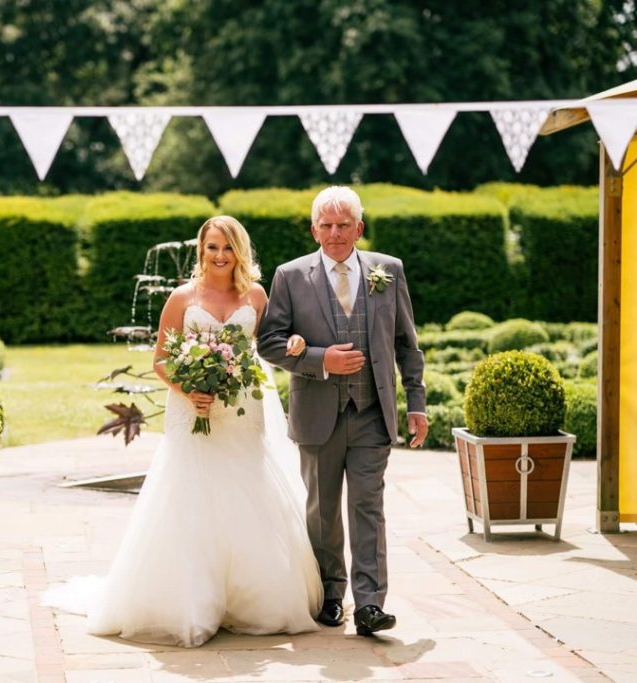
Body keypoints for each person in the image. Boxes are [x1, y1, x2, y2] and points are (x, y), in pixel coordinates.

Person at [44, 216, 323, 647]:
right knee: (193, 496)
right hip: (193, 410)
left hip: (243, 408)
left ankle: (249, 600)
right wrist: (189, 389)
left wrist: (295, 345)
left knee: (246, 491)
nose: (220, 256)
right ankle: (193, 600)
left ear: (239, 251)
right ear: (201, 250)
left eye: (227, 248)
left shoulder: (257, 295)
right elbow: (160, 359)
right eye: (212, 247)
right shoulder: (182, 297)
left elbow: (272, 341)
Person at [258, 186, 427, 637]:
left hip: (373, 412)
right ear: (314, 228)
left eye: (343, 224)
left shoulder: (388, 271)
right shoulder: (290, 276)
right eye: (326, 225)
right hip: (317, 414)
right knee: (323, 510)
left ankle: (370, 603)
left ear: (359, 227)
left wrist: (417, 403)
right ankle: (332, 595)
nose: (335, 233)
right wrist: (319, 360)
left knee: (368, 507)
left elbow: (406, 344)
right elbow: (270, 342)